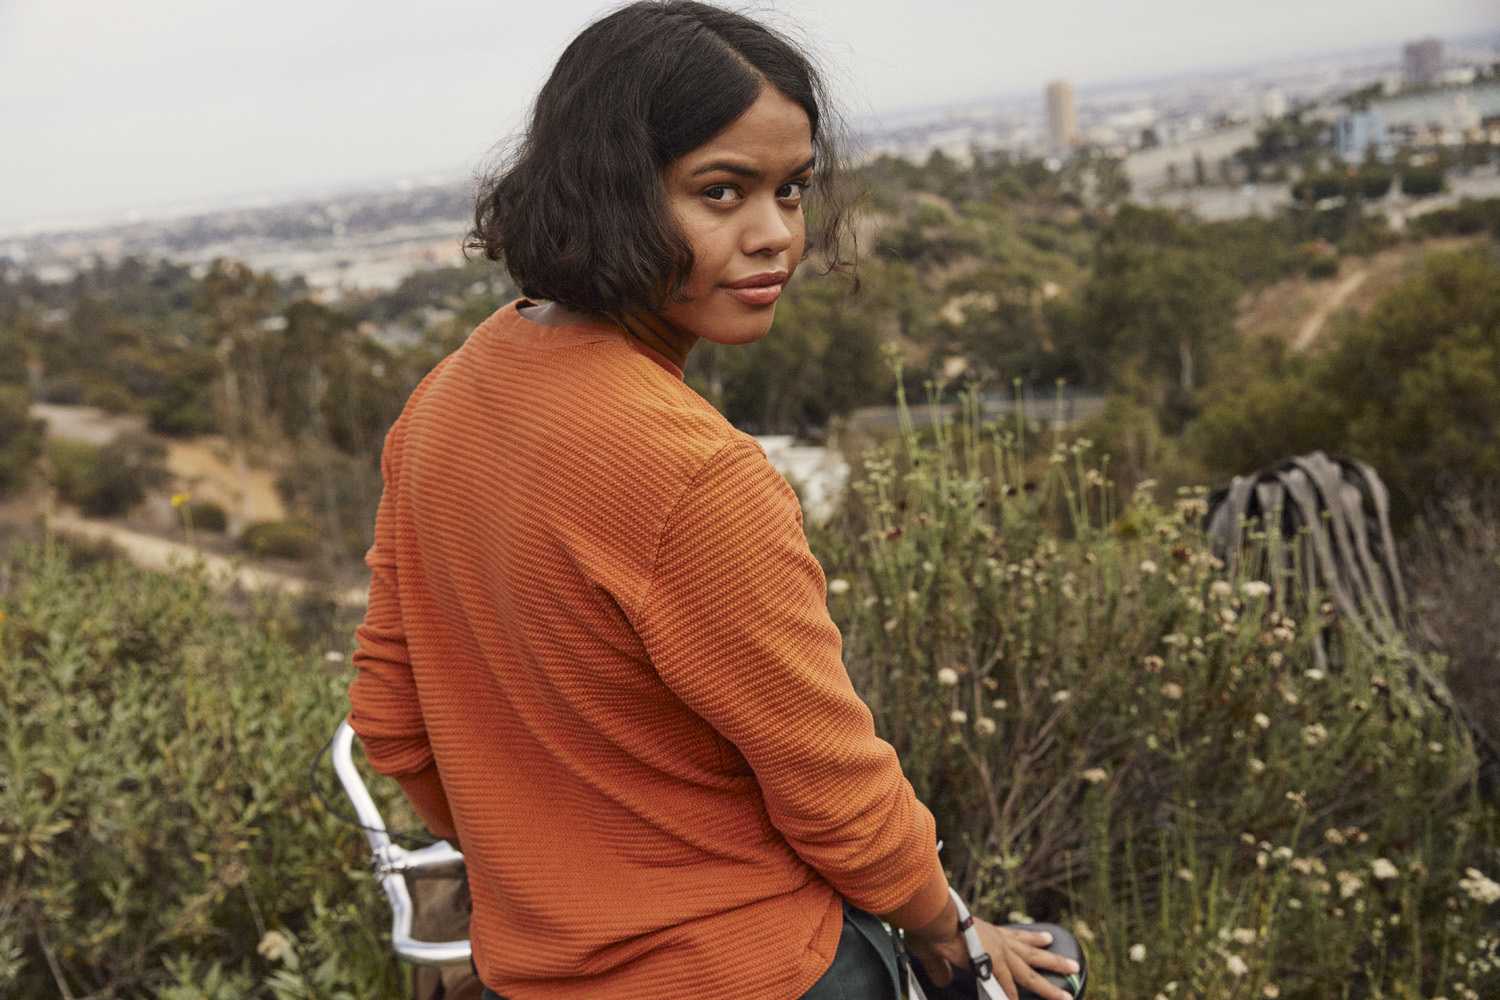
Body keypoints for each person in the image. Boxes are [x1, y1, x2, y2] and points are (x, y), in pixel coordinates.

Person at [347, 3, 1080, 998]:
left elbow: (392, 723)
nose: (776, 233)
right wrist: (954, 933)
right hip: (757, 970)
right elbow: (836, 792)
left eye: (792, 189)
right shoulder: (692, 471)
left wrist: (553, 866)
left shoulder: (444, 401)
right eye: (721, 191)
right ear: (608, 189)